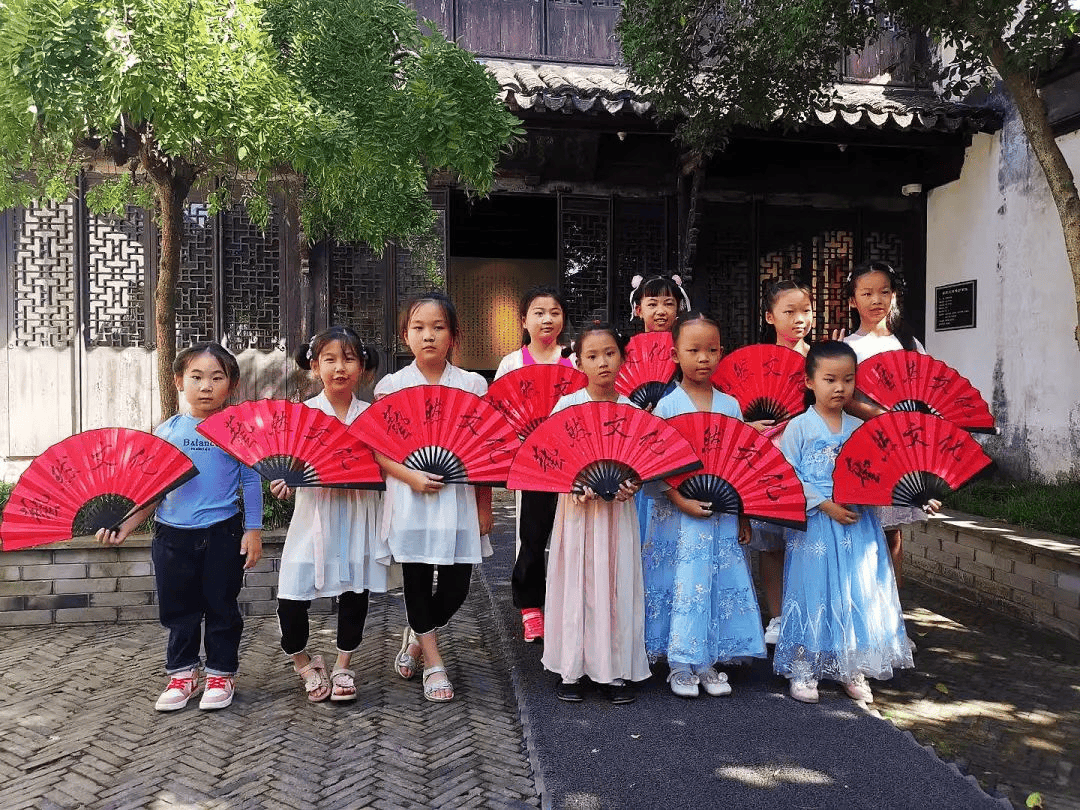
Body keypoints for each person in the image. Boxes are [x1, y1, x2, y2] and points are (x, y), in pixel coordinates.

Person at [98, 342, 262, 712]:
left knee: (221, 606)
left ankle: (221, 673)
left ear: (231, 385)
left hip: (223, 532)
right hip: (172, 535)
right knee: (179, 608)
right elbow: (154, 488)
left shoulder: (237, 430)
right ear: (178, 382)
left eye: (217, 378)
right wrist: (127, 524)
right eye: (197, 377)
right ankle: (183, 675)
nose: (206, 386)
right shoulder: (167, 431)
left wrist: (253, 530)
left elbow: (250, 482)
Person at [774, 341, 913, 704]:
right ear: (809, 381)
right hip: (817, 523)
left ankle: (851, 665)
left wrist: (918, 491)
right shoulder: (799, 428)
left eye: (848, 380)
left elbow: (881, 472)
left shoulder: (860, 427)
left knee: (855, 589)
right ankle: (804, 667)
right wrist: (823, 503)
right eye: (830, 379)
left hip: (858, 523)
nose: (839, 388)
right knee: (813, 589)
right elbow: (785, 476)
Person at [374, 291, 493, 703]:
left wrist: (484, 505)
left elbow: (486, 450)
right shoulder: (391, 387)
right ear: (405, 336)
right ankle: (434, 661)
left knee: (457, 586)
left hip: (457, 498)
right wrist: (410, 476)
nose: (429, 336)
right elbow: (379, 450)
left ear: (453, 336)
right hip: (409, 498)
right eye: (419, 328)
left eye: (438, 328)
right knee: (417, 581)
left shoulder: (473, 386)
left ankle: (415, 637)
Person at [643, 311, 766, 698]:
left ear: (721, 354)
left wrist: (743, 512)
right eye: (693, 350)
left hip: (720, 516)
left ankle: (709, 658)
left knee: (714, 582)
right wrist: (679, 498)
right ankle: (680, 662)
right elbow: (655, 468)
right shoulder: (666, 407)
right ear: (676, 354)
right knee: (682, 584)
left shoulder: (730, 406)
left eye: (711, 350)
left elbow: (740, 464)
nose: (703, 358)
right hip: (676, 516)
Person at [269, 326, 390, 703]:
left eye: (349, 358)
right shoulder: (302, 415)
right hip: (313, 516)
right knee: (290, 597)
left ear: (362, 366)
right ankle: (302, 661)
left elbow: (387, 467)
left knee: (356, 592)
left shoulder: (372, 417)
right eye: (330, 359)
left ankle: (342, 665)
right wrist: (284, 483)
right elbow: (289, 465)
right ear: (314, 365)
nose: (340, 368)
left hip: (358, 513)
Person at [543, 323, 649, 705]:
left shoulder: (633, 411)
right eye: (592, 356)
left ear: (622, 358)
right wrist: (573, 482)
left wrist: (632, 484)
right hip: (576, 513)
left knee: (615, 583)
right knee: (576, 583)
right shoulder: (566, 408)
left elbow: (643, 467)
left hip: (617, 514)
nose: (602, 362)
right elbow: (550, 463)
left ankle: (615, 670)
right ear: (580, 362)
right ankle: (571, 668)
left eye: (609, 353)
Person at [841, 261, 931, 603]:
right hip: (860, 446)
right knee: (860, 531)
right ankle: (861, 615)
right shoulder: (847, 346)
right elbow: (845, 397)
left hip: (900, 449)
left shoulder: (908, 344)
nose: (876, 299)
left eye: (884, 291)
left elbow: (925, 392)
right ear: (852, 301)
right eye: (866, 293)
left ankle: (892, 620)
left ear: (894, 296)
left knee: (892, 534)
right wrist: (884, 415)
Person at [494, 286, 576, 644]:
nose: (547, 319)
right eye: (539, 312)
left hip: (572, 461)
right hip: (531, 463)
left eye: (554, 312)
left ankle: (566, 603)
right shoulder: (512, 364)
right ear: (524, 321)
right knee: (532, 535)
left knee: (570, 535)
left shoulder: (574, 360)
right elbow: (497, 414)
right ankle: (531, 608)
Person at [750, 280, 814, 646]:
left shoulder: (821, 358)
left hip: (809, 460)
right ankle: (776, 616)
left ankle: (806, 612)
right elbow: (735, 410)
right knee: (771, 542)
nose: (798, 319)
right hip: (768, 457)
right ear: (770, 317)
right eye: (788, 312)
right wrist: (749, 425)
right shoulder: (753, 363)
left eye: (804, 311)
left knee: (806, 543)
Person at [627, 274, 692, 542]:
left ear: (679, 309)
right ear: (638, 309)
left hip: (680, 440)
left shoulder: (689, 349)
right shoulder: (623, 352)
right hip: (637, 448)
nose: (661, 311)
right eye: (652, 304)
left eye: (668, 303)